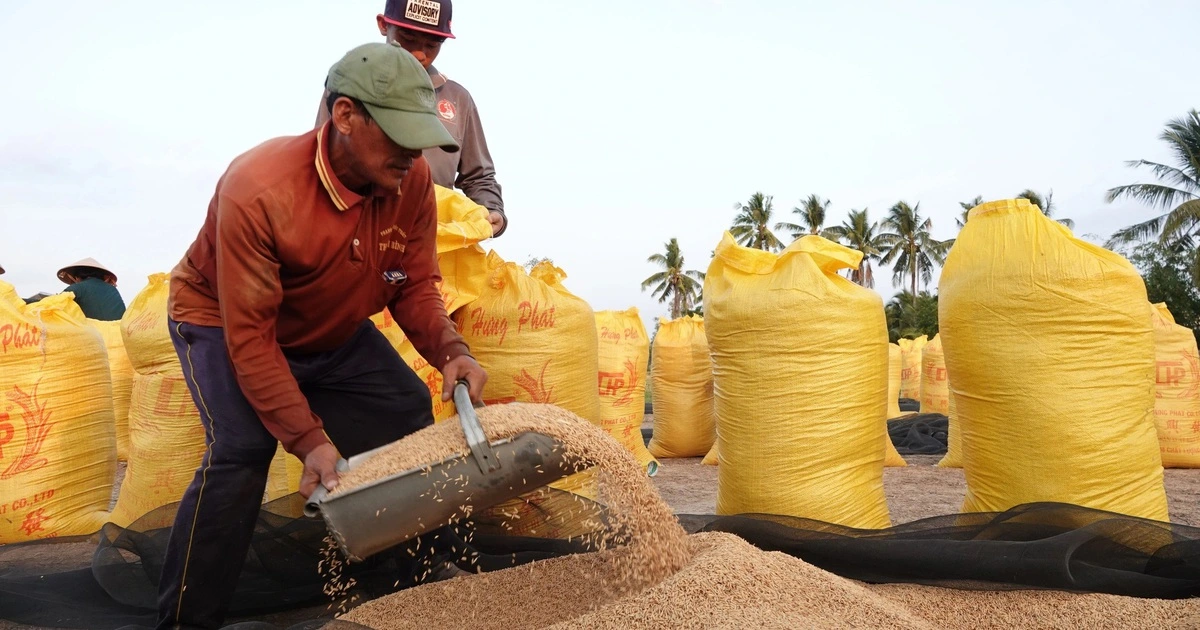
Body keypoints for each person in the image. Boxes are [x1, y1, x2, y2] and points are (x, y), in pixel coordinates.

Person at [158, 42, 488, 629]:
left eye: (420, 139)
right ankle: (188, 617)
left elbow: (412, 283)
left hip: (329, 324)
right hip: (221, 318)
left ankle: (398, 591)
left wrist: (450, 351)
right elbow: (253, 339)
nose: (413, 156)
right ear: (344, 116)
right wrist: (309, 439)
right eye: (398, 136)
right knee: (241, 450)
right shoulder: (259, 189)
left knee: (403, 408)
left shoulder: (409, 184)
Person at [315, 0, 508, 237]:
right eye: (407, 38)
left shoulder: (457, 100)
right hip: (358, 234)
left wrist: (491, 210)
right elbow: (321, 164)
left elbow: (479, 176)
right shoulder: (350, 86)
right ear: (383, 25)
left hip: (431, 239)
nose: (419, 53)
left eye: (432, 44)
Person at [56, 257, 126, 320]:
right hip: (117, 332)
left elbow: (55, 309)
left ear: (77, 277)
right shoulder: (113, 290)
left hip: (90, 332)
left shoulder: (77, 288)